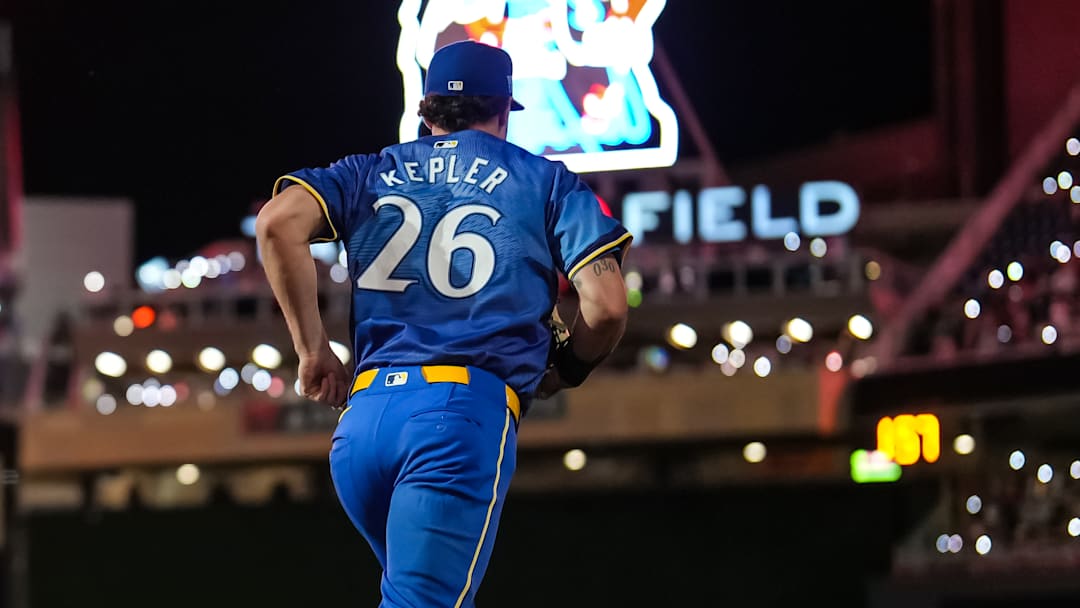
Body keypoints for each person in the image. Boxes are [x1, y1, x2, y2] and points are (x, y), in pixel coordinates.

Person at [255, 40, 630, 607]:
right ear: (504, 111)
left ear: (425, 113)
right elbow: (606, 306)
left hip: (363, 425)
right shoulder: (544, 181)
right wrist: (570, 367)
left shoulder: (368, 171)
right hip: (456, 420)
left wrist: (313, 351)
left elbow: (277, 223)